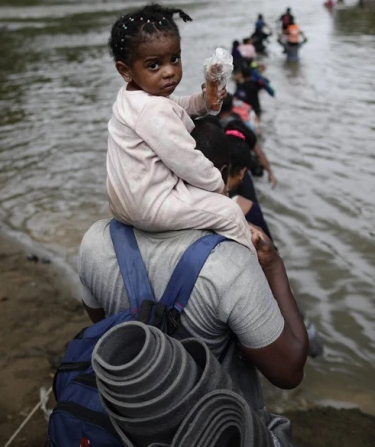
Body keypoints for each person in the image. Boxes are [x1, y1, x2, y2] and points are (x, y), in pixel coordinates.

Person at [78, 122, 310, 446]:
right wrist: (273, 265)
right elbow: (289, 372)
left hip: (135, 427)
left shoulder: (94, 241)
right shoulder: (230, 263)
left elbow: (108, 329)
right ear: (224, 172)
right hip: (219, 431)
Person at [105, 3, 256, 253]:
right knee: (229, 213)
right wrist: (220, 187)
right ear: (125, 70)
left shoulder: (132, 97)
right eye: (154, 65)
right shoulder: (153, 110)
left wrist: (206, 99)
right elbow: (187, 160)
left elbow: (178, 107)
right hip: (149, 206)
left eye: (174, 59)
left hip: (123, 202)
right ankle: (249, 264)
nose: (169, 72)